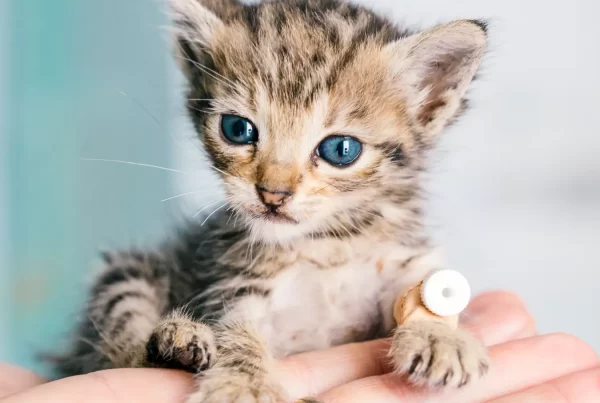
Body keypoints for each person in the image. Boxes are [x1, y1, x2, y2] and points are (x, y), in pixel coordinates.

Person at [1, 291, 598, 402]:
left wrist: (434, 329)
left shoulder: (403, 244)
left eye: (338, 149)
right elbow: (238, 310)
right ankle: (146, 361)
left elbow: (418, 303)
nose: (275, 186)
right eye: (240, 130)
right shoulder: (244, 246)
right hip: (168, 331)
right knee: (128, 274)